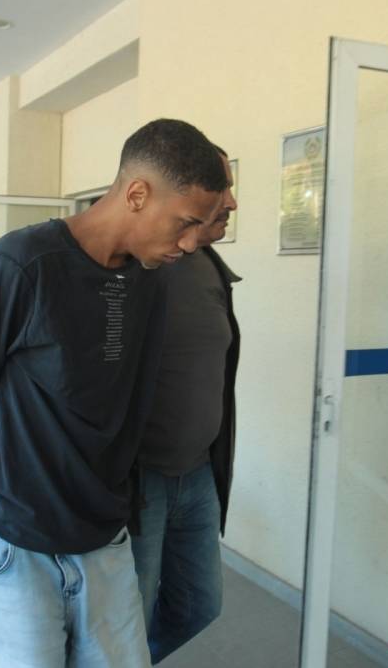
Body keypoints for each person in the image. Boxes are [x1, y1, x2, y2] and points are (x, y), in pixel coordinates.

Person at [0, 118, 229, 668]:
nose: (191, 243)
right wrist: (11, 493)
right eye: (186, 222)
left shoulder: (148, 278)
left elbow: (132, 398)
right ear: (137, 194)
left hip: (105, 532)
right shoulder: (19, 265)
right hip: (16, 535)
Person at [131, 147, 241, 663]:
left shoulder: (209, 267)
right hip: (139, 481)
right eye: (222, 187)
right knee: (125, 618)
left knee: (199, 606)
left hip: (198, 476)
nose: (232, 202)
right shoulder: (132, 265)